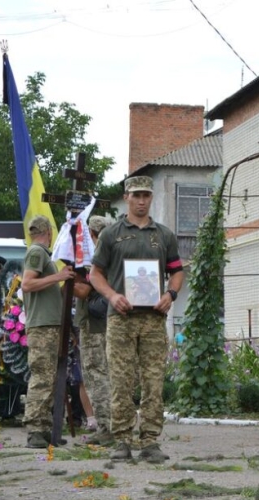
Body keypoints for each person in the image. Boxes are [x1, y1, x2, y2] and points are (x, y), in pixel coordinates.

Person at [90, 175, 184, 464]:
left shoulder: (164, 235)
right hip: (121, 318)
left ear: (151, 198)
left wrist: (171, 294)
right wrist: (111, 296)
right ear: (127, 197)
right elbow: (95, 274)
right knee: (121, 381)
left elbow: (177, 271)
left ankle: (150, 441)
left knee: (154, 382)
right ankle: (121, 440)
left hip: (153, 319)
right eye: (136, 195)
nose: (141, 200)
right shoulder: (111, 234)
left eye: (146, 195)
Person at [21, 215, 76, 449]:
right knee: (41, 378)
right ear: (49, 232)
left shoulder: (43, 254)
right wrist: (60, 276)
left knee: (48, 378)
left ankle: (44, 429)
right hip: (42, 326)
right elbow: (27, 283)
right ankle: (35, 429)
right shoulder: (37, 252)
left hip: (49, 324)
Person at [73, 214, 115, 444]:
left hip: (94, 324)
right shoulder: (114, 254)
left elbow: (83, 291)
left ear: (92, 234)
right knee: (106, 374)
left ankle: (106, 428)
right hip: (108, 323)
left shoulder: (97, 258)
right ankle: (114, 425)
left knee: (95, 376)